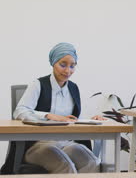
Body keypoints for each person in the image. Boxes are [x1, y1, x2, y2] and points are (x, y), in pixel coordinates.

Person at [3, 43, 104, 173]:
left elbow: (74, 119)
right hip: (37, 145)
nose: (68, 71)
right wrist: (48, 115)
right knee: (66, 166)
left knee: (92, 162)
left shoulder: (73, 88)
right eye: (63, 65)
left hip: (65, 143)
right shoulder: (38, 84)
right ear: (53, 63)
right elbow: (20, 111)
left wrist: (91, 119)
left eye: (72, 66)